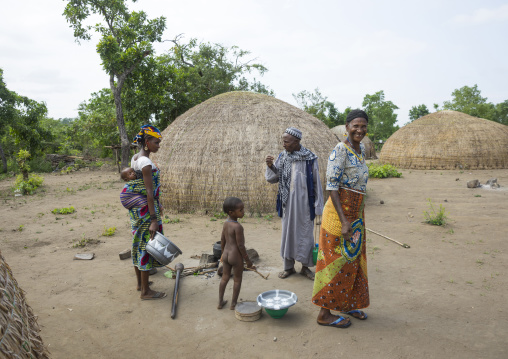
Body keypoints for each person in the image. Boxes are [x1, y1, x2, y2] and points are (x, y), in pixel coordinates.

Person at [312, 109, 370, 328]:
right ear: (347, 127)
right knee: (334, 262)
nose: (360, 130)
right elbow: (332, 187)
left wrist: (355, 218)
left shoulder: (361, 149)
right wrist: (344, 221)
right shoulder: (340, 150)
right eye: (355, 125)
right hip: (339, 216)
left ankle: (345, 303)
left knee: (352, 260)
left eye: (363, 126)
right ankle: (324, 314)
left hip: (356, 215)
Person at [265, 127, 324, 280]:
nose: (283, 144)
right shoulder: (283, 156)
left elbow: (317, 182)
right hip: (287, 204)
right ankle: (288, 267)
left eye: (286, 141)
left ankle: (305, 267)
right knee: (288, 234)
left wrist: (318, 206)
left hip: (305, 205)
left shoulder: (310, 158)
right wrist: (271, 166)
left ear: (296, 142)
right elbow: (273, 178)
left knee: (306, 235)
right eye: (283, 141)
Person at [121, 124, 166, 300]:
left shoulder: (135, 158)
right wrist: (154, 219)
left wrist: (158, 202)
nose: (158, 145)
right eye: (156, 142)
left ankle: (141, 283)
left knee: (138, 242)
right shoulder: (146, 162)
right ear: (147, 142)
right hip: (146, 211)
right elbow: (148, 191)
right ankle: (145, 292)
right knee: (147, 246)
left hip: (138, 211)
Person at [218, 197, 255, 310]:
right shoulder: (238, 227)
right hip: (235, 256)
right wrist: (248, 261)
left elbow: (222, 240)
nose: (243, 212)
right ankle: (233, 304)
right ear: (231, 212)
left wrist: (222, 254)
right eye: (241, 210)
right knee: (237, 280)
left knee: (224, 278)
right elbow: (240, 246)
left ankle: (220, 302)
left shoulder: (225, 223)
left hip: (226, 254)